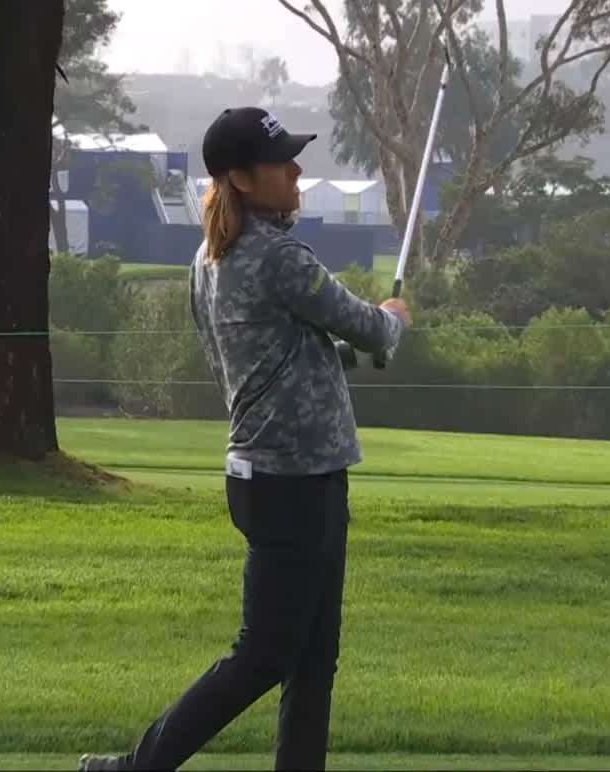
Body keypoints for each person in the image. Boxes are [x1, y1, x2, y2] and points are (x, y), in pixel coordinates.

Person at [79, 107, 412, 772]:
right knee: (266, 654)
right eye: (281, 163)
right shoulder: (280, 256)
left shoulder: (208, 260)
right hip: (297, 484)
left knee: (313, 657)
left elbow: (286, 358)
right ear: (239, 176)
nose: (296, 172)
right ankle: (139, 766)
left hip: (273, 477)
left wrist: (354, 348)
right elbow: (369, 329)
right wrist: (395, 319)